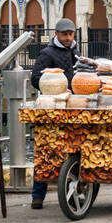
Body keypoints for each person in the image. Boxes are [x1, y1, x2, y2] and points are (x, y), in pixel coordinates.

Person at [29, 18, 81, 208]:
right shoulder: (47, 53)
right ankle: (38, 195)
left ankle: (75, 191)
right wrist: (56, 88)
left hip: (71, 108)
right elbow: (35, 79)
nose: (68, 38)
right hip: (51, 108)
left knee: (74, 150)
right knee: (45, 150)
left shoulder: (75, 53)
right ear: (57, 34)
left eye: (70, 34)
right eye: (64, 34)